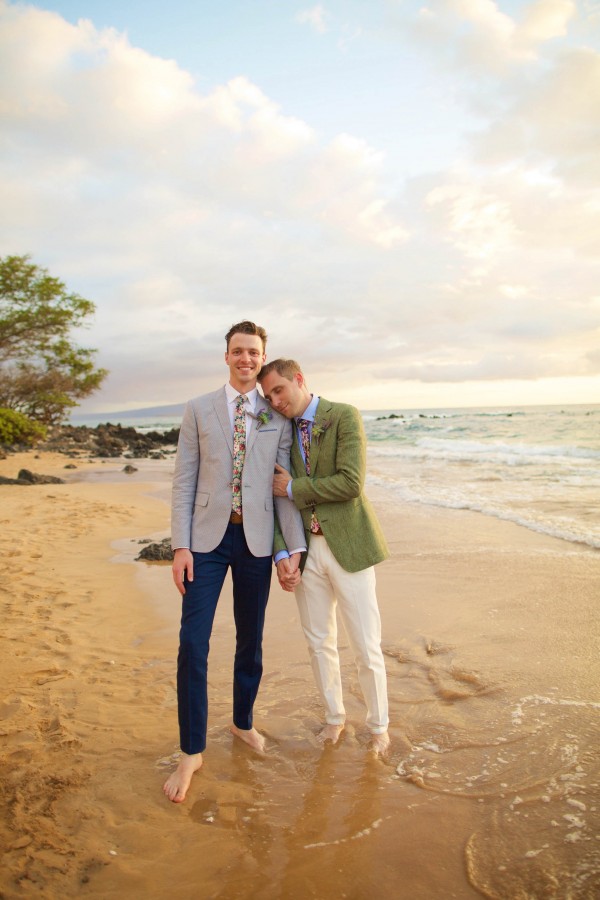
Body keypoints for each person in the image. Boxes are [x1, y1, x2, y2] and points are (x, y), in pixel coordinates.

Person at [163, 323, 305, 803]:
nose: (246, 359)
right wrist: (180, 546)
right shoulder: (198, 408)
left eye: (254, 353)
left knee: (252, 640)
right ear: (226, 356)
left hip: (256, 541)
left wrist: (290, 550)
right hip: (205, 540)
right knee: (192, 642)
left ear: (262, 359)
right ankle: (191, 751)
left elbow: (282, 487)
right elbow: (184, 481)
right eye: (238, 351)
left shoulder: (275, 414)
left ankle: (242, 722)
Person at [258, 359, 391, 755]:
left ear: (299, 380)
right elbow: (273, 496)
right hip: (306, 551)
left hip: (348, 545)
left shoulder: (343, 415)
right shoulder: (279, 429)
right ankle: (335, 718)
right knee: (318, 642)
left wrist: (296, 487)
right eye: (268, 396)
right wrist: (283, 551)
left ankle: (379, 726)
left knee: (366, 645)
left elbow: (351, 482)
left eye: (280, 390)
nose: (275, 401)